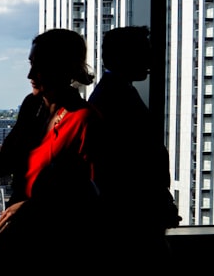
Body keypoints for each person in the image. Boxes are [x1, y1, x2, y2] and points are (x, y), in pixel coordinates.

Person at [0, 29, 103, 261]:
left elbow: (93, 196)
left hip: (57, 243)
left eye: (39, 65)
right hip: (18, 234)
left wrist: (33, 207)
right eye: (31, 63)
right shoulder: (32, 106)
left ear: (64, 68)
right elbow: (7, 159)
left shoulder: (85, 121)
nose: (30, 73)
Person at [88, 26, 179, 264]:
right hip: (132, 221)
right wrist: (156, 202)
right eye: (143, 52)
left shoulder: (115, 93)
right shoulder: (113, 99)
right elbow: (129, 165)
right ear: (123, 57)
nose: (150, 59)